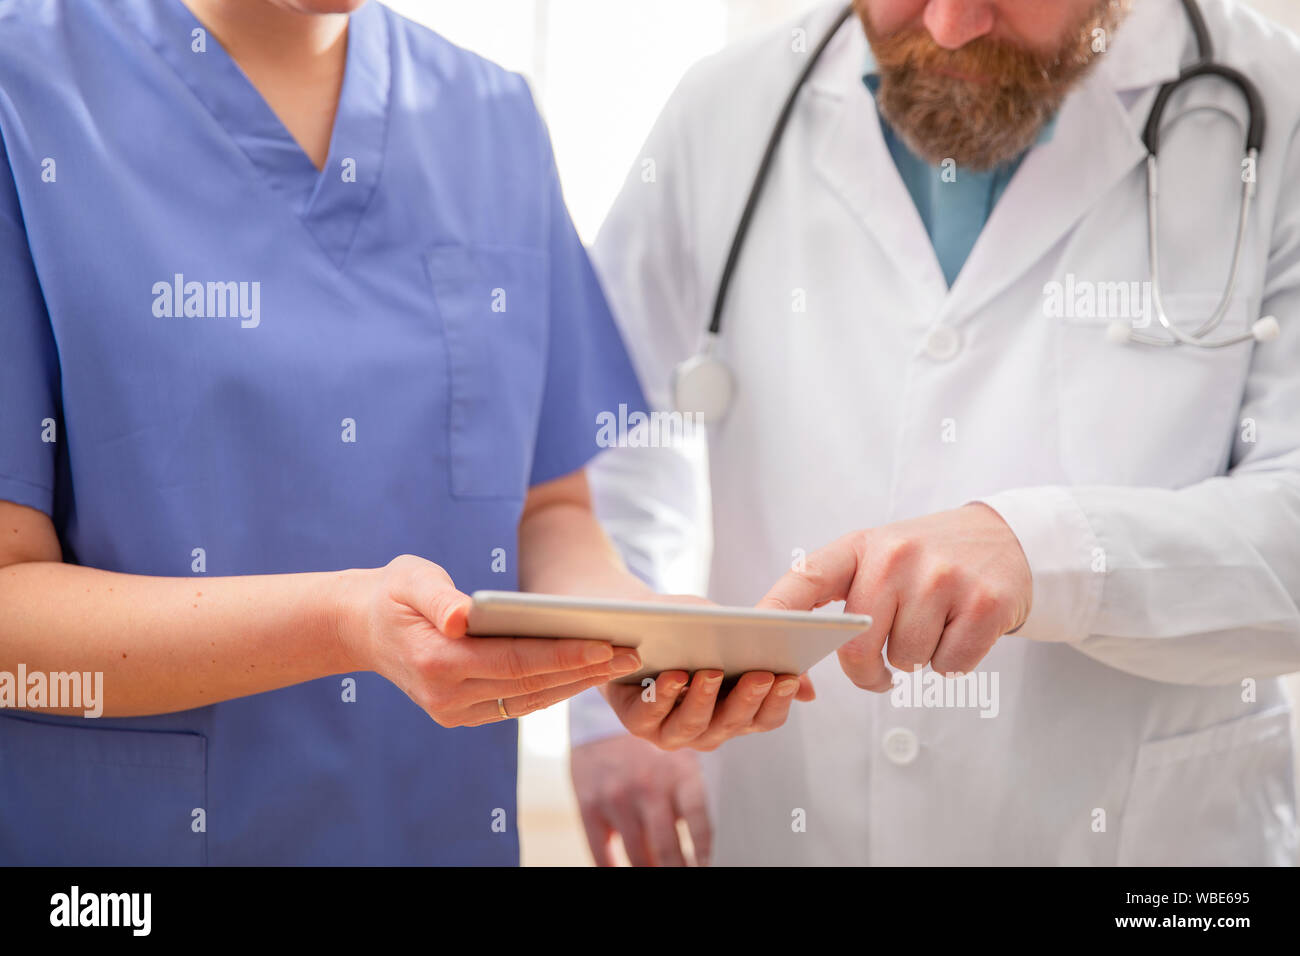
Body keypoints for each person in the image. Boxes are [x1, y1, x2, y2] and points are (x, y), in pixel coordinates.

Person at [0, 0, 798, 866]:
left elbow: (546, 510)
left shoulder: (490, 118)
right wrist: (344, 624)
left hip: (438, 829)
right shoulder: (27, 92)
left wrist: (640, 638)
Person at [571, 0, 1300, 865]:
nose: (949, 26)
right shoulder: (728, 106)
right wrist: (612, 689)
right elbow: (598, 431)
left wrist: (1043, 552)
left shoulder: (1277, 108)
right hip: (793, 816)